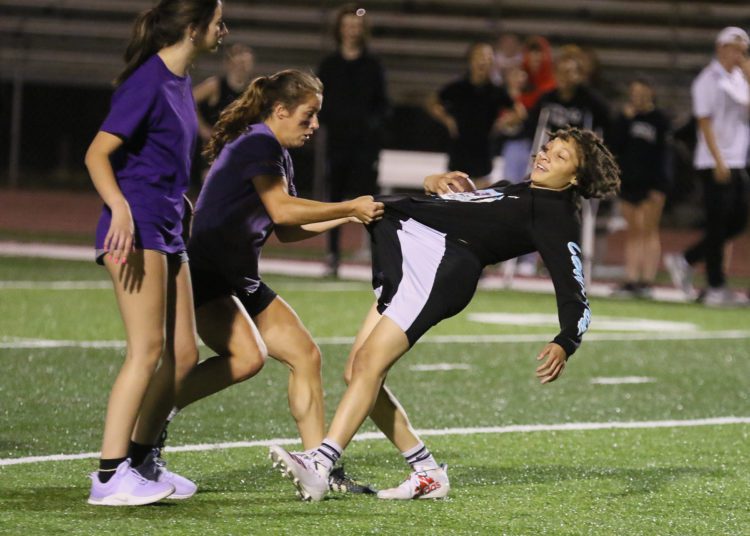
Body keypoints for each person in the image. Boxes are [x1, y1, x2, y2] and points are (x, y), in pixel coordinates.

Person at [268, 126, 621, 502]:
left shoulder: (557, 216)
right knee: (358, 369)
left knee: (369, 362)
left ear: (577, 178)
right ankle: (427, 471)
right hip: (420, 252)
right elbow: (468, 211)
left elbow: (576, 296)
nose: (545, 155)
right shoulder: (524, 189)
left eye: (560, 156)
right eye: (547, 148)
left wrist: (565, 341)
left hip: (441, 268)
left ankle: (321, 464)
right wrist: (434, 183)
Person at [151, 69, 384, 493]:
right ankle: (154, 414)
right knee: (247, 358)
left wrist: (346, 215)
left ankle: (320, 470)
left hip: (236, 275)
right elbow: (282, 210)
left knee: (305, 356)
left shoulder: (273, 148)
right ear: (280, 110)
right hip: (206, 272)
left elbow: (288, 228)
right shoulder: (259, 142)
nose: (315, 126)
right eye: (308, 116)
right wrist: (348, 204)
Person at [84, 0, 228, 506]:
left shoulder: (181, 80)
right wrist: (119, 208)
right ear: (193, 30)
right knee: (146, 351)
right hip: (135, 229)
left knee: (184, 354)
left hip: (166, 227)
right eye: (216, 23)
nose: (222, 30)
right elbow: (97, 153)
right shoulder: (147, 81)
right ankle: (107, 476)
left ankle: (141, 460)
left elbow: (157, 155)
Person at [664, 27, 750, 306]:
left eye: (743, 49)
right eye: (735, 48)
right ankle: (714, 286)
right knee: (718, 223)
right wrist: (718, 160)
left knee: (738, 220)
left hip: (738, 158)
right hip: (715, 160)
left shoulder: (740, 78)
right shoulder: (707, 80)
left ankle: (686, 259)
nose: (740, 54)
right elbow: (704, 122)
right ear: (721, 48)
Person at [317, 4, 389, 277]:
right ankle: (332, 255)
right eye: (347, 26)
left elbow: (383, 105)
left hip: (365, 146)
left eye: (356, 26)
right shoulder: (329, 64)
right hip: (337, 144)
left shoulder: (373, 65)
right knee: (334, 203)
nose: (351, 31)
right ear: (339, 30)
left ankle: (378, 260)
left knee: (371, 203)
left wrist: (371, 128)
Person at [609, 77, 671, 298]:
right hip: (629, 182)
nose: (637, 97)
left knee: (648, 230)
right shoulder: (625, 118)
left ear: (651, 93)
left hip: (652, 183)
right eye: (634, 93)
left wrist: (659, 185)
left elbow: (664, 154)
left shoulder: (660, 120)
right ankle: (631, 279)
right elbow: (614, 146)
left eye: (642, 92)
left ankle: (646, 280)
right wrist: (624, 121)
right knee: (633, 231)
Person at [427, 41, 514, 186]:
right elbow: (432, 102)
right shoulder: (457, 87)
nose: (484, 61)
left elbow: (518, 111)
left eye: (488, 57)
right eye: (480, 56)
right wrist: (447, 120)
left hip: (483, 153)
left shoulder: (496, 90)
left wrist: (502, 123)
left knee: (480, 199)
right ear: (471, 60)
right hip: (459, 150)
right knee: (455, 195)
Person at [192, 43, 255, 185]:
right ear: (229, 64)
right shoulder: (215, 85)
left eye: (246, 63)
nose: (242, 67)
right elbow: (188, 101)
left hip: (238, 147)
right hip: (214, 147)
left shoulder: (252, 90)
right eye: (239, 62)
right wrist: (201, 127)